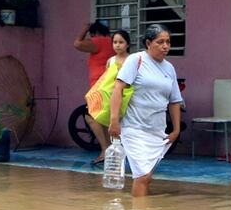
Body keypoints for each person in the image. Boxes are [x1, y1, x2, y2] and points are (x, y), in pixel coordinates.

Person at [108, 24, 183, 197]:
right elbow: (118, 88)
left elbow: (174, 100)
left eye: (168, 42)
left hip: (157, 131)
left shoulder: (169, 68)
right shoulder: (136, 60)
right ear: (148, 43)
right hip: (134, 128)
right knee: (143, 176)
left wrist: (177, 129)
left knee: (146, 177)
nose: (166, 46)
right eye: (160, 42)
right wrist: (114, 121)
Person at [74, 21, 114, 162]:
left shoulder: (99, 41)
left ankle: (105, 150)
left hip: (100, 86)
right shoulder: (113, 42)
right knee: (102, 119)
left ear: (95, 33)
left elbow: (77, 44)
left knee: (90, 116)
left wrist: (85, 27)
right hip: (110, 85)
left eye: (91, 34)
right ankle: (109, 150)